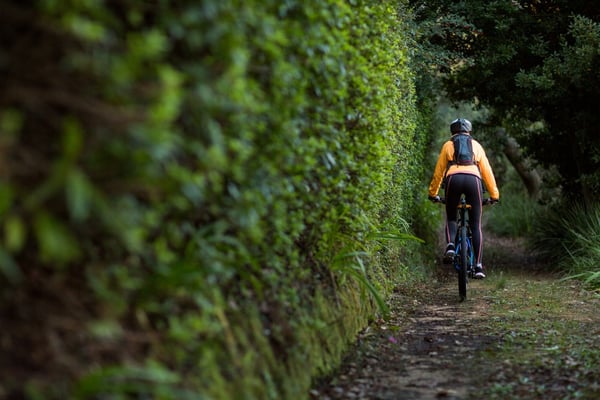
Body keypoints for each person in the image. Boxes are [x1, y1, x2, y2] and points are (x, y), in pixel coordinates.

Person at [428, 118, 500, 279]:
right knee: (475, 225)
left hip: (453, 179)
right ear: (469, 131)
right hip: (473, 180)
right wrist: (494, 195)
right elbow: (487, 172)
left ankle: (451, 246)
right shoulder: (476, 146)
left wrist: (433, 193)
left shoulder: (448, 145)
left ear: (452, 132)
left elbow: (439, 172)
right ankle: (479, 266)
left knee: (452, 217)